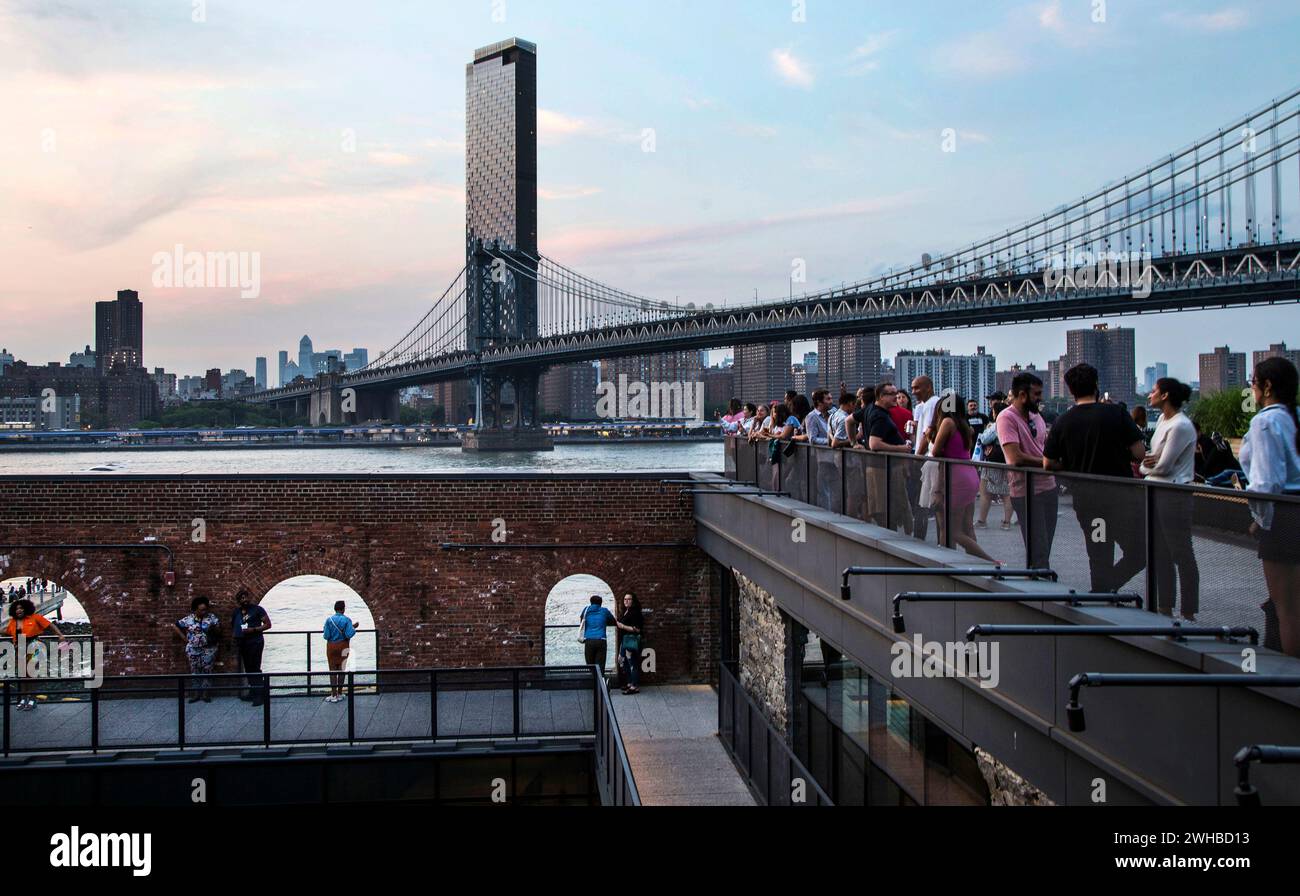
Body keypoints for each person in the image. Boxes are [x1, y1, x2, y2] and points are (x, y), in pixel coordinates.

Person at [1043, 363, 1147, 593]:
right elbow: (1140, 453)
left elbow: (1048, 463)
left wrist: (1070, 465)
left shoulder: (1064, 421)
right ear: (1097, 385)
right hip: (1122, 499)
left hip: (1089, 502)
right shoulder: (1116, 413)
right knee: (1140, 551)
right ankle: (1105, 589)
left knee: (1099, 550)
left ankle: (1100, 594)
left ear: (1071, 391)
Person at [1240, 357, 1300, 657]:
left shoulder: (1265, 421)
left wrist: (1260, 521)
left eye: (1253, 382)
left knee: (1286, 607)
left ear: (1267, 386)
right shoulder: (1295, 417)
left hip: (1284, 519)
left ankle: (1290, 683)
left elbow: (1266, 484)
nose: (1251, 389)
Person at [1140, 378, 1199, 620]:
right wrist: (1149, 465)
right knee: (1159, 551)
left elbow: (1161, 467)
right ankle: (1164, 605)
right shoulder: (1164, 421)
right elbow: (1151, 461)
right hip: (1156, 491)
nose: (1149, 395)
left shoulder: (1180, 426)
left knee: (1181, 552)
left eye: (1153, 391)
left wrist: (1145, 467)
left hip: (1173, 494)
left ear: (1165, 395)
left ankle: (1188, 610)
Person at [997, 372, 1057, 569]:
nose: (1040, 398)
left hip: (1049, 487)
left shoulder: (1036, 416)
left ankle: (1040, 582)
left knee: (1044, 548)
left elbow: (1043, 446)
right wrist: (1048, 464)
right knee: (1038, 550)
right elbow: (1015, 458)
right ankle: (1041, 590)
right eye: (1037, 394)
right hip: (1026, 491)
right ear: (1022, 395)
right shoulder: (1006, 418)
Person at [928, 395, 997, 562]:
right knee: (967, 526)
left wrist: (931, 436)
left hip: (956, 477)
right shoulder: (964, 425)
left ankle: (989, 561)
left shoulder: (947, 423)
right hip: (969, 474)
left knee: (951, 529)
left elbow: (936, 452)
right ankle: (977, 563)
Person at [865, 383, 914, 532]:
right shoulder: (882, 415)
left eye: (897, 394)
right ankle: (897, 535)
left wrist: (854, 442)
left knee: (884, 506)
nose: (896, 397)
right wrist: (903, 449)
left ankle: (892, 533)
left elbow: (850, 421)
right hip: (888, 467)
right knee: (893, 504)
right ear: (881, 396)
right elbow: (874, 443)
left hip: (880, 466)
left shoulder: (871, 410)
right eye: (892, 394)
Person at [4, 598, 67, 710]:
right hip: (19, 648)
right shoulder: (13, 621)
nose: (19, 610)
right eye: (17, 608)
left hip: (34, 646)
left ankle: (33, 700)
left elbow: (50, 626)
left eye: (21, 608)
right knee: (22, 675)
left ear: (26, 608)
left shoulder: (35, 618)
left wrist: (60, 636)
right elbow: (6, 631)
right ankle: (23, 699)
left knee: (31, 673)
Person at [908, 376, 939, 539]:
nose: (913, 392)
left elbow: (927, 434)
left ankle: (920, 539)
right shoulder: (926, 404)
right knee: (924, 502)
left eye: (917, 388)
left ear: (928, 387)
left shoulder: (932, 404)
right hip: (928, 460)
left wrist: (917, 457)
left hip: (927, 460)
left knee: (923, 503)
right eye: (912, 388)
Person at [174, 597, 220, 703]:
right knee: (195, 671)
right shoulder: (188, 619)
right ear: (195, 610)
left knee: (207, 670)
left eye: (205, 609)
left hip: (208, 648)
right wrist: (184, 638)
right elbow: (176, 626)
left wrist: (213, 628)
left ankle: (206, 693)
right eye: (201, 610)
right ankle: (196, 693)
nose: (204, 611)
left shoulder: (211, 618)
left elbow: (219, 630)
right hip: (193, 649)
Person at [231, 590, 272, 706]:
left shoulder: (258, 610)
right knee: (248, 668)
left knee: (255, 668)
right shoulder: (237, 612)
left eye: (246, 597)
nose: (244, 600)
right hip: (243, 643)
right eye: (241, 598)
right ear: (238, 601)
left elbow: (268, 624)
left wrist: (253, 630)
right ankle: (252, 692)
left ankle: (259, 695)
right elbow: (233, 626)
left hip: (255, 642)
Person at [323, 600, 357, 702]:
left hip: (331, 647)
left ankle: (333, 695)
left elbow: (326, 636)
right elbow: (349, 634)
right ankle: (340, 693)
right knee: (342, 669)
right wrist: (354, 628)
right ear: (343, 609)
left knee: (332, 670)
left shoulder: (329, 620)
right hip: (343, 646)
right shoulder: (347, 620)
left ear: (335, 608)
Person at [579, 594, 618, 673]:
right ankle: (600, 684)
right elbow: (614, 622)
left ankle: (592, 683)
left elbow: (581, 621)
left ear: (591, 602)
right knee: (600, 666)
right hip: (601, 640)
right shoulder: (604, 610)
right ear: (601, 603)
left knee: (590, 666)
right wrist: (604, 623)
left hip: (589, 640)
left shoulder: (586, 610)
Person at [617, 592, 645, 695]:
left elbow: (637, 629)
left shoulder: (635, 613)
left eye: (629, 599)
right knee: (623, 662)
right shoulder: (626, 611)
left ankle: (634, 686)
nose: (626, 601)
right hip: (625, 640)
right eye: (625, 599)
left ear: (633, 601)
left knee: (632, 663)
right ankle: (629, 683)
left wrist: (622, 626)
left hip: (631, 640)